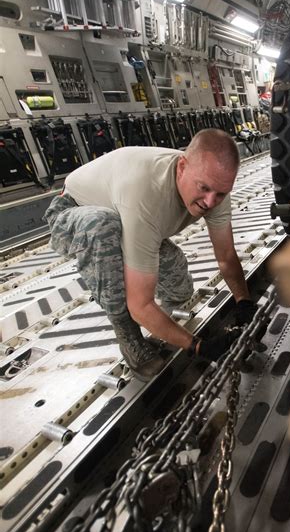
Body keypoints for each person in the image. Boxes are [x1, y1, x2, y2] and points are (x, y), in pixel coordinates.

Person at [44, 129, 258, 379]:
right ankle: (129, 337)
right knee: (103, 227)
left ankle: (168, 327)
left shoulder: (216, 187)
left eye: (220, 193)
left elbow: (226, 257)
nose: (210, 202)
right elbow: (139, 304)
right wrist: (198, 346)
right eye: (204, 188)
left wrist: (243, 302)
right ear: (181, 168)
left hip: (124, 214)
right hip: (75, 212)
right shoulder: (146, 194)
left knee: (177, 280)